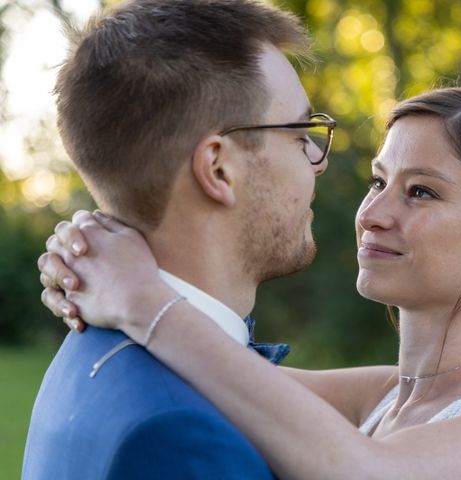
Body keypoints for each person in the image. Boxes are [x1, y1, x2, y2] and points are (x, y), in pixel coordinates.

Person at [39, 76, 461, 479]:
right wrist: (90, 254)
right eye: (377, 181)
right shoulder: (382, 395)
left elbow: (366, 473)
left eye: (420, 192)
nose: (373, 214)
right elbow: (216, 366)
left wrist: (141, 298)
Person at [23, 0, 336, 478]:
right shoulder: (184, 432)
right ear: (218, 168)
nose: (318, 159)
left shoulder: (94, 352)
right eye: (299, 133)